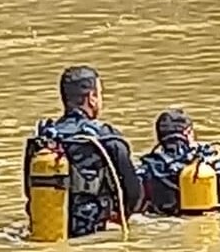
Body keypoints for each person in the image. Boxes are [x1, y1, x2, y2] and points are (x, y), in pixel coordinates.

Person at [23, 65, 143, 239]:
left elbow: (29, 190)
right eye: (100, 94)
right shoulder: (105, 137)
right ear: (92, 98)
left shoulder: (44, 140)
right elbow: (133, 192)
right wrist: (121, 215)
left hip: (50, 226)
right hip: (92, 230)